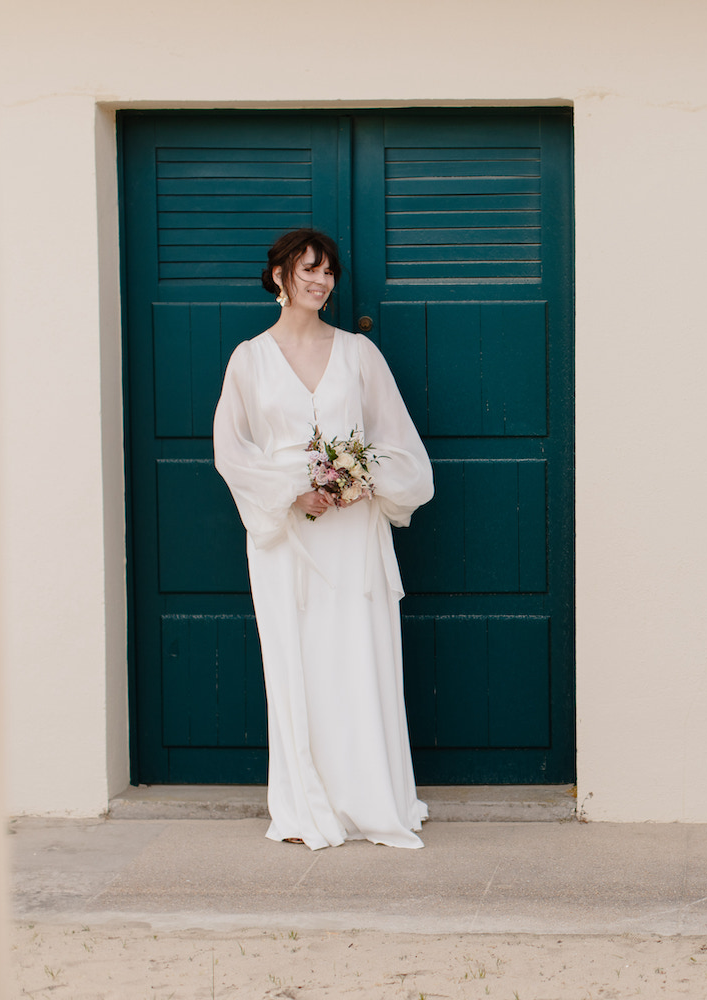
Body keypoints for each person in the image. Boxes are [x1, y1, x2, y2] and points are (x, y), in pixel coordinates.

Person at [213, 229, 434, 849]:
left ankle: (371, 798)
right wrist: (291, 489)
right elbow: (231, 451)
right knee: (296, 659)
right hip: (285, 535)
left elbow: (400, 446)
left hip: (351, 532)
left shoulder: (360, 354)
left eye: (329, 272)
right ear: (279, 276)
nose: (320, 281)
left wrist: (362, 481)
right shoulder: (248, 358)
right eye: (307, 269)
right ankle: (309, 804)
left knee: (355, 656)